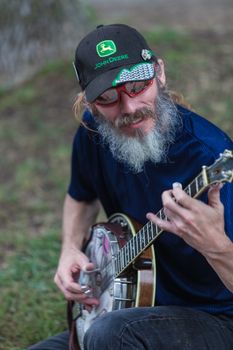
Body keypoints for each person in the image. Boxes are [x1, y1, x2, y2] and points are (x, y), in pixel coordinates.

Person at [28, 24, 233, 350]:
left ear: (160, 72)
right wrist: (69, 248)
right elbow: (80, 198)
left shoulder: (209, 157)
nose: (129, 107)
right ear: (89, 103)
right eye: (108, 98)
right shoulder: (93, 135)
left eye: (138, 85)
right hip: (137, 305)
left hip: (217, 319)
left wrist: (216, 246)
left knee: (110, 335)